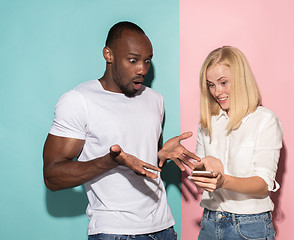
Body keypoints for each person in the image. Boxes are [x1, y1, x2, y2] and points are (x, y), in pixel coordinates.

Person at [43, 21, 199, 240]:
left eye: (147, 61)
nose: (142, 69)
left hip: (164, 228)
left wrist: (160, 154)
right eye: (133, 60)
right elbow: (52, 176)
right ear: (109, 54)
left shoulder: (155, 100)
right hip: (115, 231)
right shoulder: (79, 101)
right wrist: (109, 161)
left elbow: (140, 161)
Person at [189, 46, 283, 240]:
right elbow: (202, 176)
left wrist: (223, 180)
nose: (217, 92)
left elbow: (263, 183)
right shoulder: (208, 121)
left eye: (223, 82)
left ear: (241, 80)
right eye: (211, 85)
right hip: (210, 221)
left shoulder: (265, 120)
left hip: (249, 226)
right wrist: (191, 162)